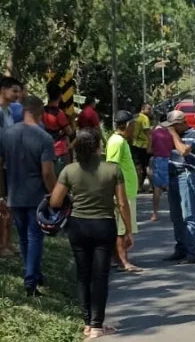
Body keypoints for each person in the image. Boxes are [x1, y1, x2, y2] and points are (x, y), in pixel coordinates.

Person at [49, 129, 134, 338]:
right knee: (100, 276)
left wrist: (73, 196)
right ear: (98, 146)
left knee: (83, 275)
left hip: (78, 226)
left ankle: (87, 323)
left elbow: (55, 201)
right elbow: (122, 203)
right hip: (104, 226)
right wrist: (128, 230)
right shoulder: (113, 170)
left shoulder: (69, 171)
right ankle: (97, 325)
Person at [0, 96, 57, 295]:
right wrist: (55, 194)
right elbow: (47, 172)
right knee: (35, 237)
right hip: (37, 197)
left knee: (24, 238)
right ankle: (31, 281)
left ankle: (34, 273)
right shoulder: (44, 138)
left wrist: (2, 194)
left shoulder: (6, 135)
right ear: (40, 113)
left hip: (14, 194)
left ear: (24, 111)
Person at [162, 111, 195, 265]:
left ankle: (192, 252)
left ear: (179, 124)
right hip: (172, 174)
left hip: (185, 175)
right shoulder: (176, 135)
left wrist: (172, 135)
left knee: (188, 215)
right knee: (176, 216)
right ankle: (181, 248)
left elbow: (183, 151)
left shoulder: (194, 133)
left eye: (172, 126)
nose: (170, 129)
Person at [106, 110, 141, 273]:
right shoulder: (117, 142)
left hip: (128, 191)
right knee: (121, 228)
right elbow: (112, 167)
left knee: (123, 227)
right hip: (122, 192)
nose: (134, 128)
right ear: (126, 125)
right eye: (132, 125)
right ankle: (123, 261)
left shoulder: (121, 141)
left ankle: (119, 258)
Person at [0, 77, 21, 258]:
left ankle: (8, 242)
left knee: (9, 203)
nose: (17, 95)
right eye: (14, 91)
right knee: (2, 204)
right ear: (3, 89)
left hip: (9, 164)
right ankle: (1, 245)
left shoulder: (8, 112)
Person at [42, 83, 73, 177]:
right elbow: (69, 131)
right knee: (61, 178)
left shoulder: (42, 111)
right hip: (59, 150)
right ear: (60, 96)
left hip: (45, 148)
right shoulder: (59, 114)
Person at [148, 124, 173, 222]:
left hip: (158, 160)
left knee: (157, 188)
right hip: (169, 160)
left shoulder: (153, 134)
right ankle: (174, 212)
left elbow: (149, 150)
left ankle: (155, 213)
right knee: (170, 188)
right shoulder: (170, 133)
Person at [131, 104, 152, 192]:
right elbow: (148, 134)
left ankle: (138, 186)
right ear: (142, 109)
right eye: (149, 109)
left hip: (135, 144)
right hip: (144, 145)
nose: (150, 111)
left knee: (137, 166)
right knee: (147, 166)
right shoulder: (145, 119)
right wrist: (150, 146)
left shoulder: (134, 118)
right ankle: (151, 186)